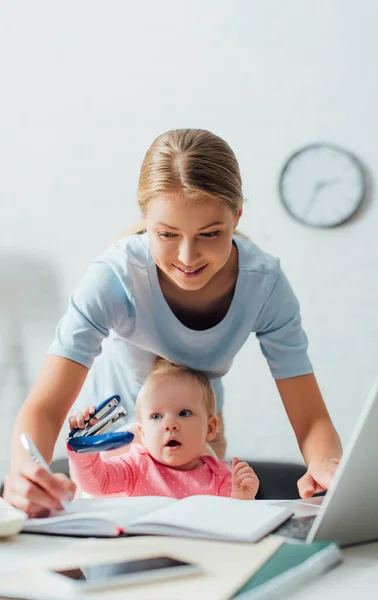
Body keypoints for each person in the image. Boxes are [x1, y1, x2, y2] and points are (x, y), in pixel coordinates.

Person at [4, 128, 342, 517]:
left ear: (237, 216)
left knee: (203, 549)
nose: (187, 256)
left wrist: (325, 465)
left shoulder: (264, 285)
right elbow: (45, 406)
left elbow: (311, 416)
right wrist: (26, 472)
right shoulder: (115, 278)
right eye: (166, 234)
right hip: (114, 453)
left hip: (197, 440)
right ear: (145, 220)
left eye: (211, 233)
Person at [68, 359, 259, 500]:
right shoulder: (135, 466)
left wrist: (242, 497)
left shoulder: (221, 477)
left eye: (184, 413)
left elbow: (231, 521)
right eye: (156, 416)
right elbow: (96, 484)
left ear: (210, 428)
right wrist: (84, 449)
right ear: (142, 434)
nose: (170, 424)